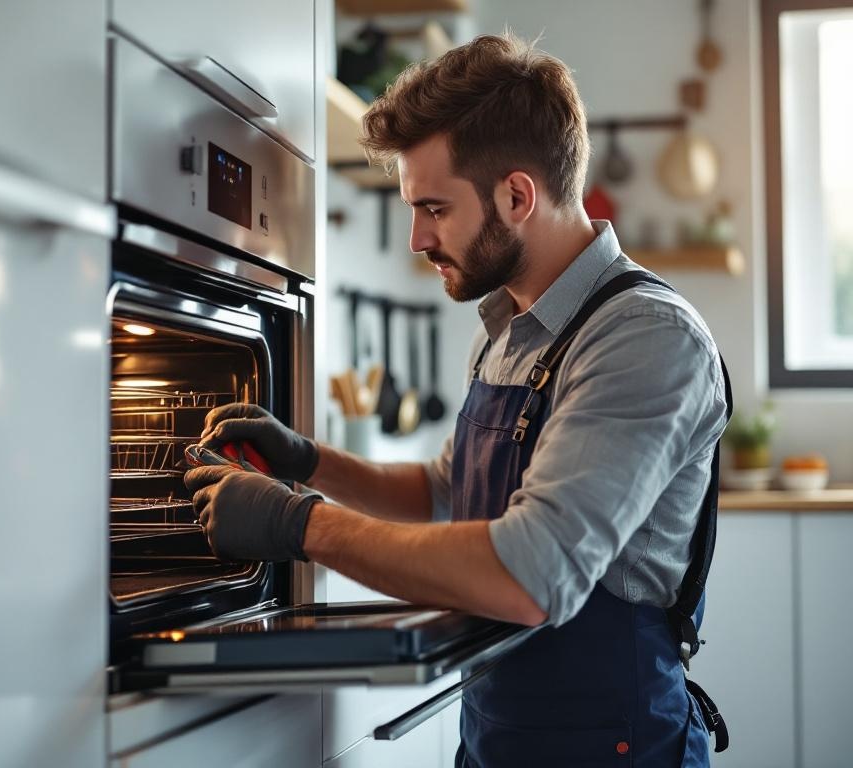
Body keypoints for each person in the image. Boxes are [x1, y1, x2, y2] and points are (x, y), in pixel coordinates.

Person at [184, 33, 729, 767]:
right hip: (498, 740)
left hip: (613, 747)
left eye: (434, 208)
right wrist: (310, 462)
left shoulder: (643, 338)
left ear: (516, 195)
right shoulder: (508, 329)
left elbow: (531, 574)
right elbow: (444, 492)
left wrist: (298, 523)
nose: (416, 238)